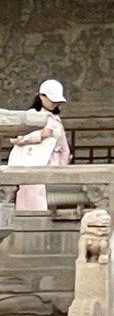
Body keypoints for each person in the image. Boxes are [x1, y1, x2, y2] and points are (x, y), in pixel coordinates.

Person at [6, 79, 69, 218]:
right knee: (29, 201)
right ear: (41, 96)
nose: (54, 103)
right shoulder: (30, 116)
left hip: (50, 167)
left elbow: (64, 147)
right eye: (51, 99)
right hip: (30, 164)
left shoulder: (56, 120)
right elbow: (16, 139)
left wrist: (63, 166)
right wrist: (39, 135)